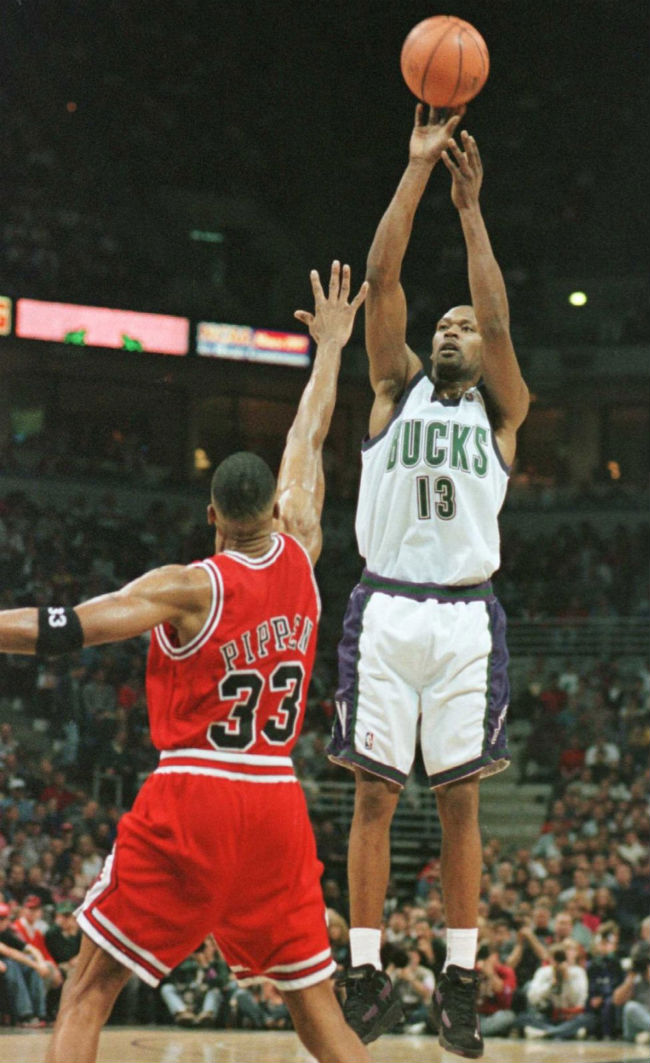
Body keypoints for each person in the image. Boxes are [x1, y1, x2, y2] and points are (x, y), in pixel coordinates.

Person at [0, 262, 370, 1063]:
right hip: (276, 797)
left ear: (211, 516)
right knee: (316, 1011)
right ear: (272, 507)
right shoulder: (303, 552)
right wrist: (332, 347)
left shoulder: (184, 586)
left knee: (89, 986)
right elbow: (309, 432)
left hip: (196, 788)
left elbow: (66, 628)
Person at [329, 104, 529, 1059]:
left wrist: (472, 208)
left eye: (462, 326)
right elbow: (380, 279)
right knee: (372, 797)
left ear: (483, 351)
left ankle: (458, 982)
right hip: (385, 606)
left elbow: (495, 310)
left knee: (459, 807)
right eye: (440, 324)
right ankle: (363, 975)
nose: (450, 329)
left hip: (464, 622)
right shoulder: (389, 388)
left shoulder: (504, 412)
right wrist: (415, 171)